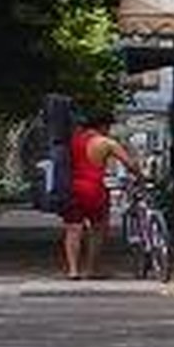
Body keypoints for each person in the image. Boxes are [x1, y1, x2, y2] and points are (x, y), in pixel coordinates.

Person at [57, 111, 135, 282]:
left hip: (72, 188)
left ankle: (73, 270)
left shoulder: (73, 140)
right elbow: (129, 164)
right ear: (103, 126)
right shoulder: (106, 142)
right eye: (109, 127)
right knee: (98, 229)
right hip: (94, 189)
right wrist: (140, 176)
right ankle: (91, 269)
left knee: (73, 229)